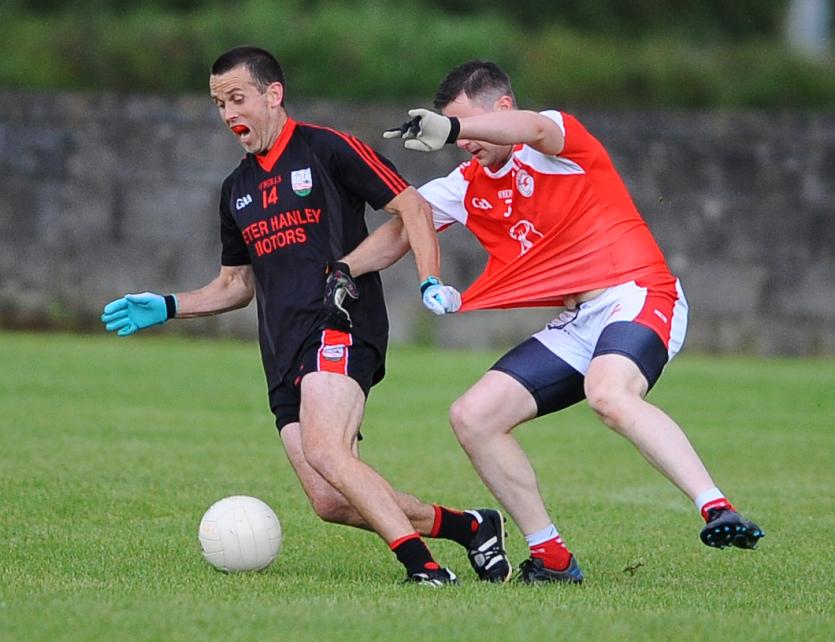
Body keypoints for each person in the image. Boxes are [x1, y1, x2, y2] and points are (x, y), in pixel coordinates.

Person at [100, 46, 512, 586]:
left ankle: (424, 568)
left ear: (274, 94)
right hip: (282, 348)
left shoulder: (327, 148)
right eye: (219, 103)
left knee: (325, 449)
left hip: (341, 321)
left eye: (237, 98)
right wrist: (170, 305)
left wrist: (429, 278)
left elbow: (412, 206)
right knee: (329, 499)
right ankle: (471, 527)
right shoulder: (236, 191)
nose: (228, 114)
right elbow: (235, 286)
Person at [382, 60, 764, 584]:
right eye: (453, 131)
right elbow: (403, 224)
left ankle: (717, 508)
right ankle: (552, 559)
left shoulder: (553, 136)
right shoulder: (464, 184)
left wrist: (453, 127)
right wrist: (338, 268)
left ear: (504, 109)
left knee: (608, 394)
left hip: (639, 292)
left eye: (470, 126)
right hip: (582, 319)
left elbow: (535, 128)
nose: (463, 143)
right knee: (474, 416)